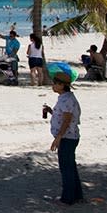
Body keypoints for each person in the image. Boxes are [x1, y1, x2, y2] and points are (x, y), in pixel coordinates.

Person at [42, 69, 83, 205]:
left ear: (61, 85)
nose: (53, 86)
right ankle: (76, 195)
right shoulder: (65, 98)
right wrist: (50, 111)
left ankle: (68, 198)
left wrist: (58, 137)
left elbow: (67, 120)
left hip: (67, 137)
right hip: (69, 136)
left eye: (55, 83)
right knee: (70, 166)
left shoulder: (67, 99)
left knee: (66, 167)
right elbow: (63, 116)